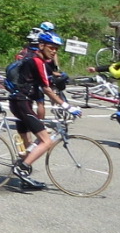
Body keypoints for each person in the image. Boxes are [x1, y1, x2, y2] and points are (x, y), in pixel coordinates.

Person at [9, 33, 79, 187]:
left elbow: (46, 79)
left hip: (19, 101)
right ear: (41, 46)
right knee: (46, 141)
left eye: (56, 49)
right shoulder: (37, 61)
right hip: (22, 103)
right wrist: (66, 105)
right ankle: (22, 168)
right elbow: (46, 88)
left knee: (29, 144)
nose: (54, 51)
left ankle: (24, 174)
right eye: (51, 47)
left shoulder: (36, 59)